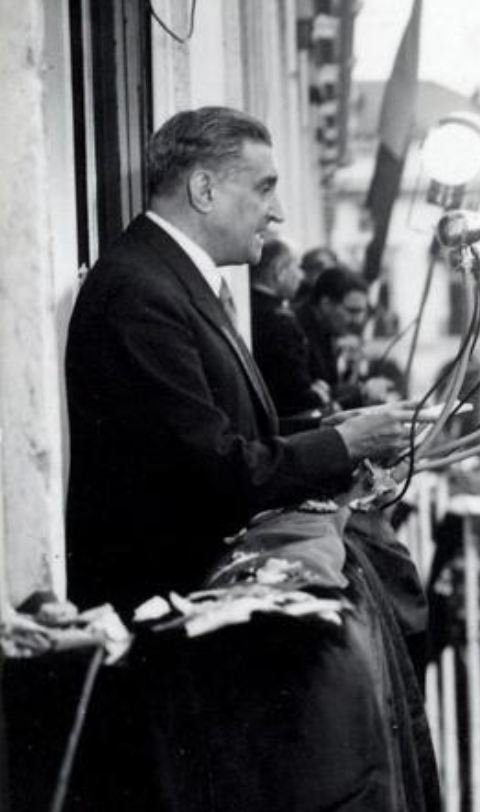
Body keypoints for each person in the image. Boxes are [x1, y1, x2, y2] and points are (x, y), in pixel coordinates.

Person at [64, 106, 438, 812]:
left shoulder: (172, 278)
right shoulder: (140, 292)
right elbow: (217, 469)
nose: (278, 211)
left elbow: (231, 431)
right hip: (169, 637)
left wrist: (336, 428)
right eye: (263, 188)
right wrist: (344, 444)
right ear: (204, 190)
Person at [249, 236, 331, 422]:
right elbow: (295, 397)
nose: (302, 276)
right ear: (280, 271)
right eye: (297, 266)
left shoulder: (250, 307)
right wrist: (318, 394)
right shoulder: (280, 321)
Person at [298, 265, 396, 407]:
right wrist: (362, 392)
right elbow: (312, 400)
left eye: (361, 312)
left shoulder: (327, 332)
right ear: (326, 304)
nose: (358, 321)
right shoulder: (296, 332)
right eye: (352, 311)